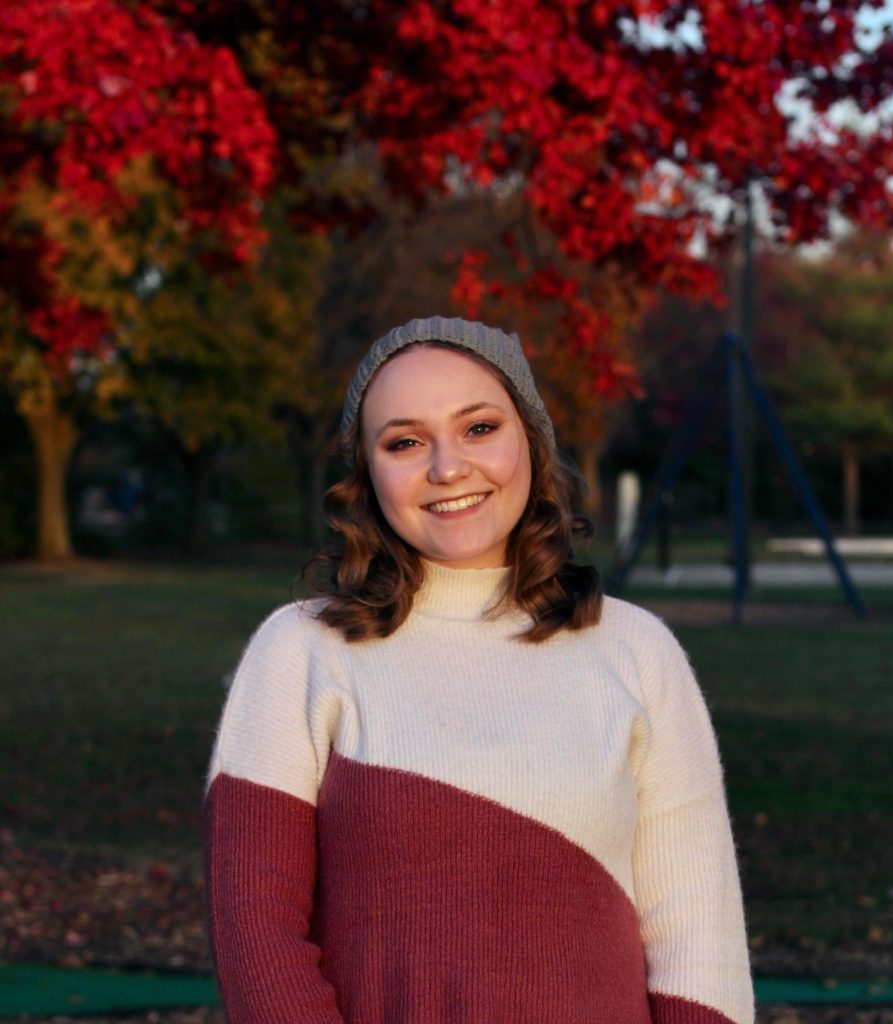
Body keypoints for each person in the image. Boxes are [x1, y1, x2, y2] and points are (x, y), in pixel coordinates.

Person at [203, 316, 754, 1024]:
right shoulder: (302, 651)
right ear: (368, 475)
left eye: (480, 428)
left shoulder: (636, 651)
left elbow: (698, 936)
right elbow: (257, 934)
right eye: (404, 442)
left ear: (532, 437)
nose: (447, 467)